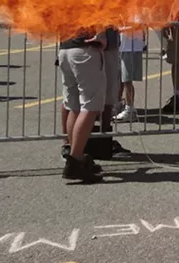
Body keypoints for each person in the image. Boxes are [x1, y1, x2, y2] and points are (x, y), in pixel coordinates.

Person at [59, 28, 107, 183]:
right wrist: (102, 35)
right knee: (90, 106)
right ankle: (76, 159)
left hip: (65, 49)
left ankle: (75, 155)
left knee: (74, 106)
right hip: (84, 49)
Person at [116, 28, 145, 121]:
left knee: (127, 80)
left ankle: (130, 110)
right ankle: (124, 106)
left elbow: (136, 25)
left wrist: (118, 28)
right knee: (123, 79)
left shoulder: (135, 13)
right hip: (125, 46)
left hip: (130, 47)